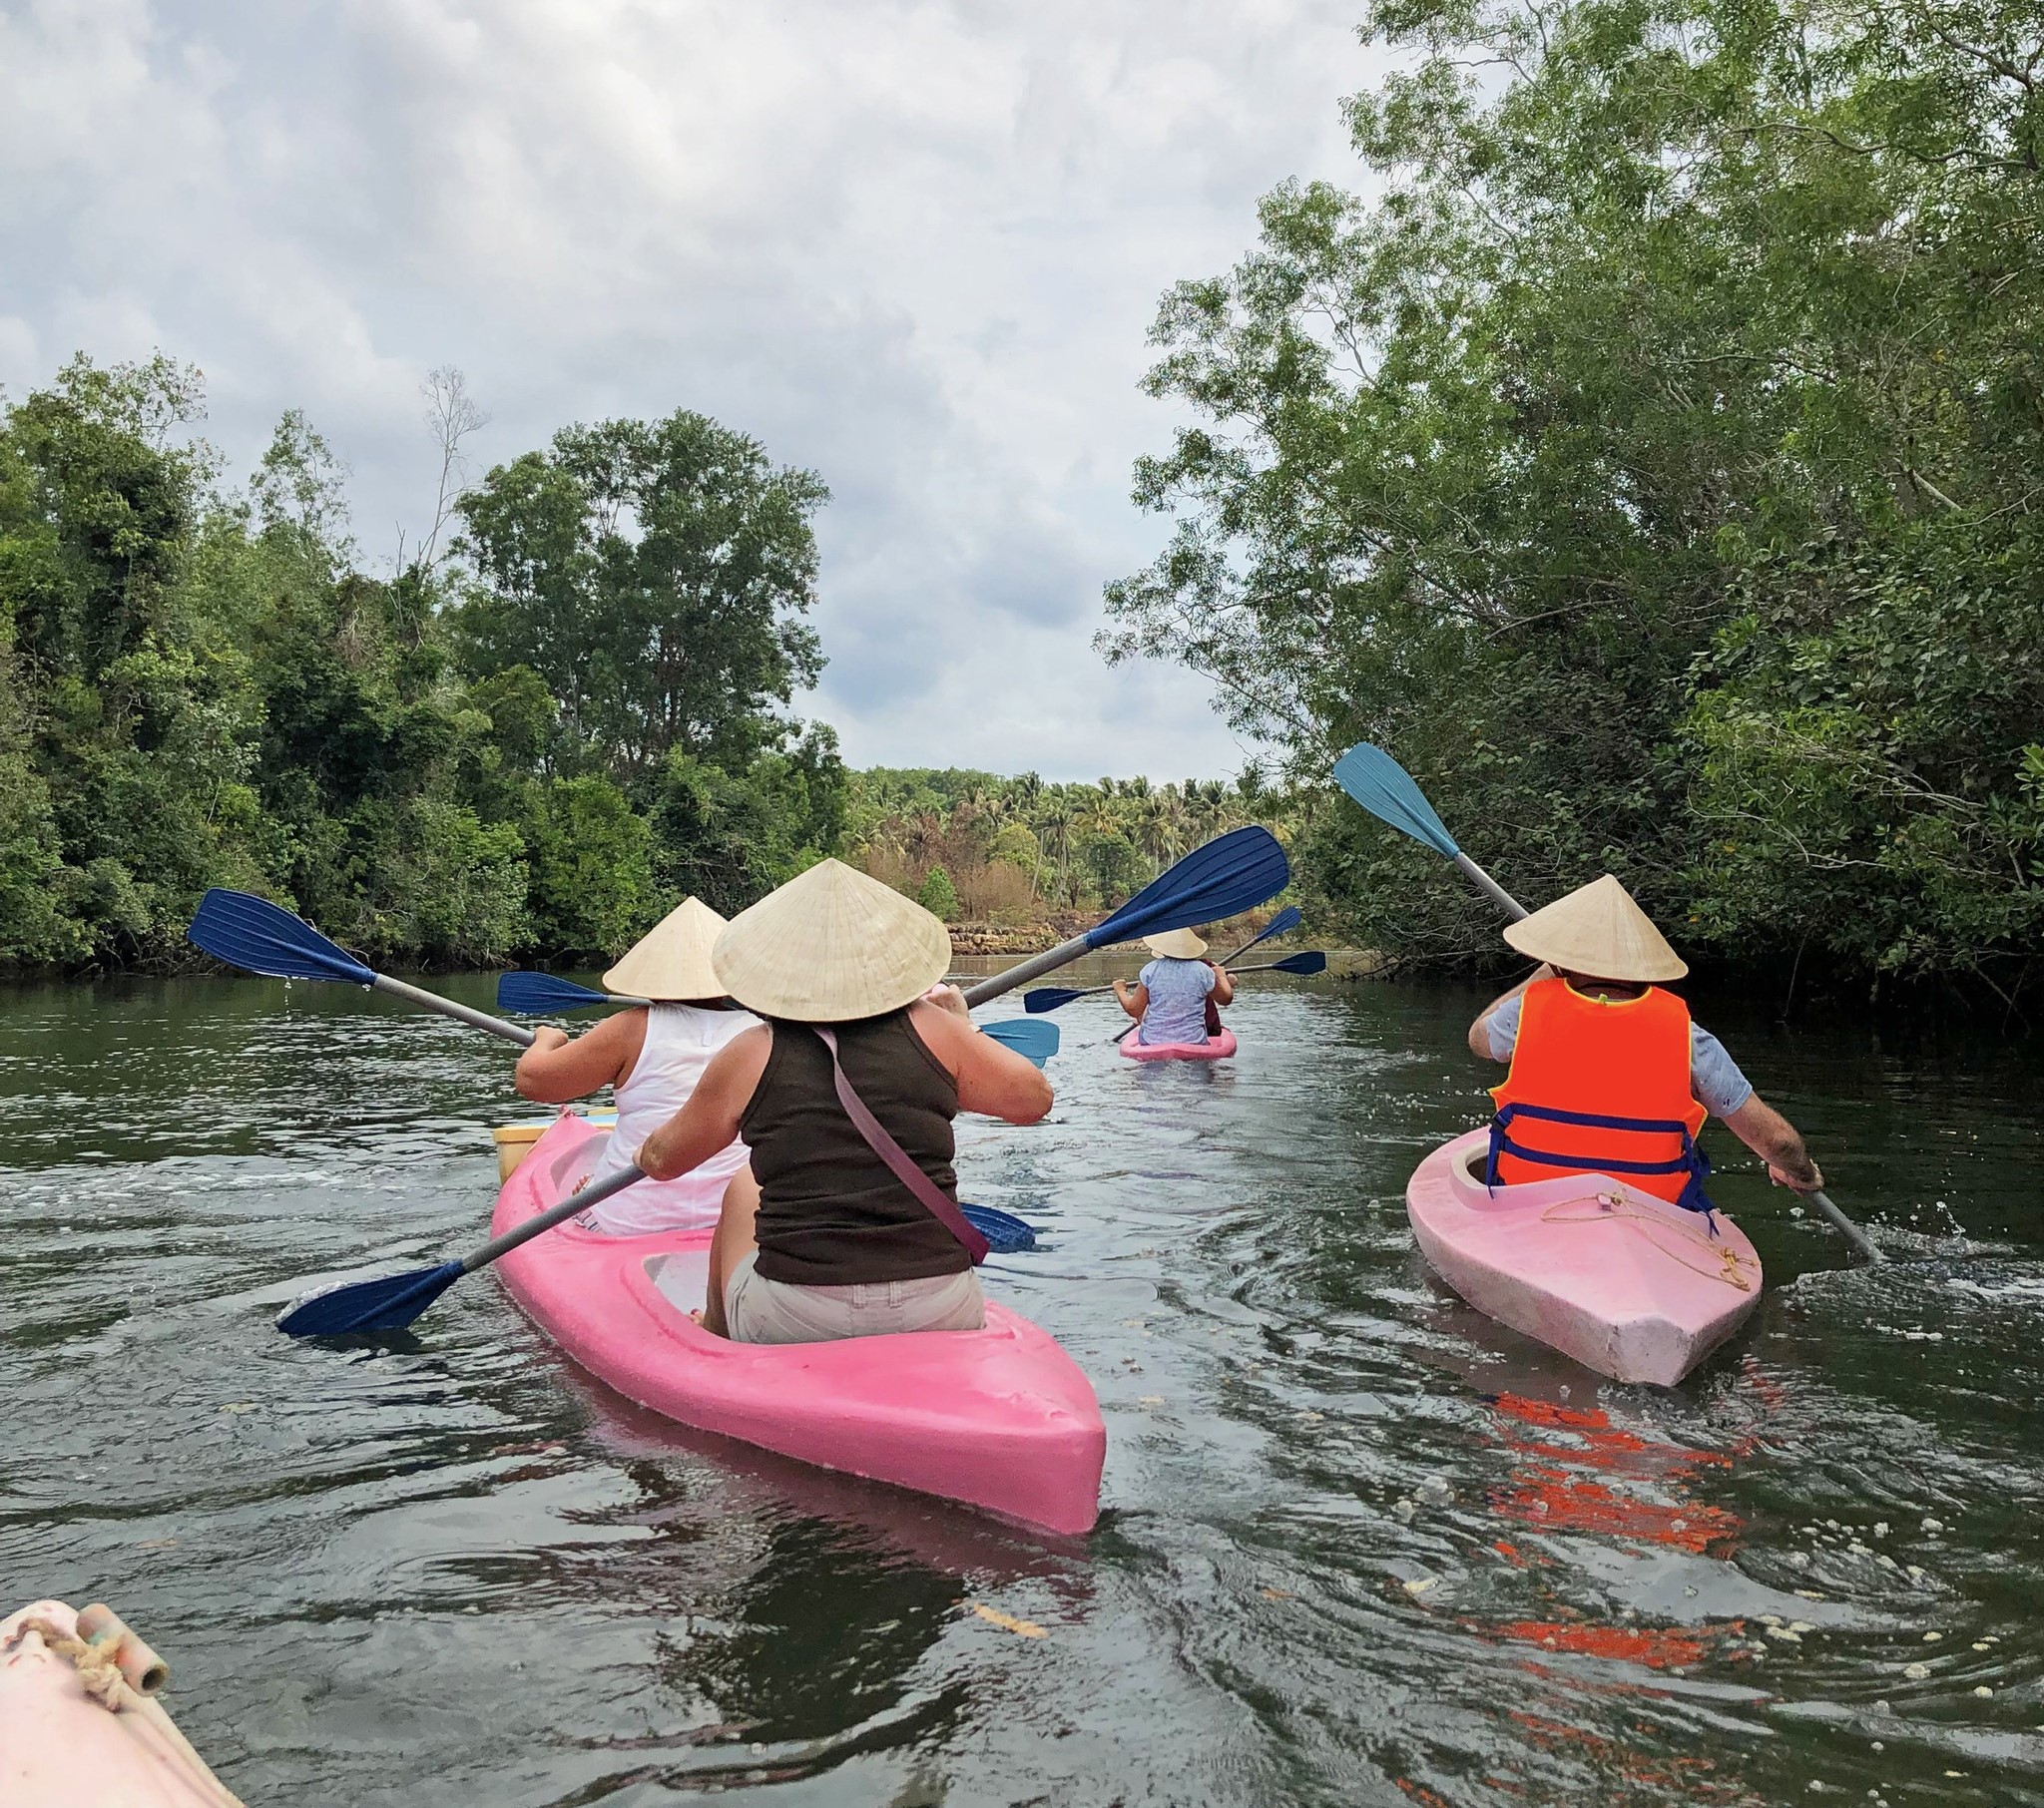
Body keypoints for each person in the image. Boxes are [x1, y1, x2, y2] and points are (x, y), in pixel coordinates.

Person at [636, 858, 1053, 1343]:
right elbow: (1033, 1100)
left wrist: (638, 1151)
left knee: (744, 1184)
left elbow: (664, 1162)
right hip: (941, 1303)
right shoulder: (939, 1030)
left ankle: (716, 1327)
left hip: (797, 1313)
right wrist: (962, 1029)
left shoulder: (750, 1052)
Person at [1467, 874, 1822, 1209]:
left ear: (1563, 963)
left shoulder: (1523, 1015)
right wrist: (1799, 1172)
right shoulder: (1690, 1039)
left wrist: (1543, 973)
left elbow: (1478, 1038)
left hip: (1532, 1201)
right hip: (1649, 1212)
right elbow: (1778, 1143)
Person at [512, 896, 757, 1235]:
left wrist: (547, 1041)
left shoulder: (631, 1027)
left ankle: (593, 1192)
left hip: (628, 1222)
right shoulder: (764, 1036)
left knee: (587, 1192)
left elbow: (533, 1080)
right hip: (734, 1222)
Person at [1113, 928, 1236, 1047]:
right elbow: (1226, 999)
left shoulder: (1150, 970)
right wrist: (1221, 976)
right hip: (1194, 1041)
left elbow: (1134, 1010)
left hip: (1153, 1041)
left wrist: (1120, 990)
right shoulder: (1204, 971)